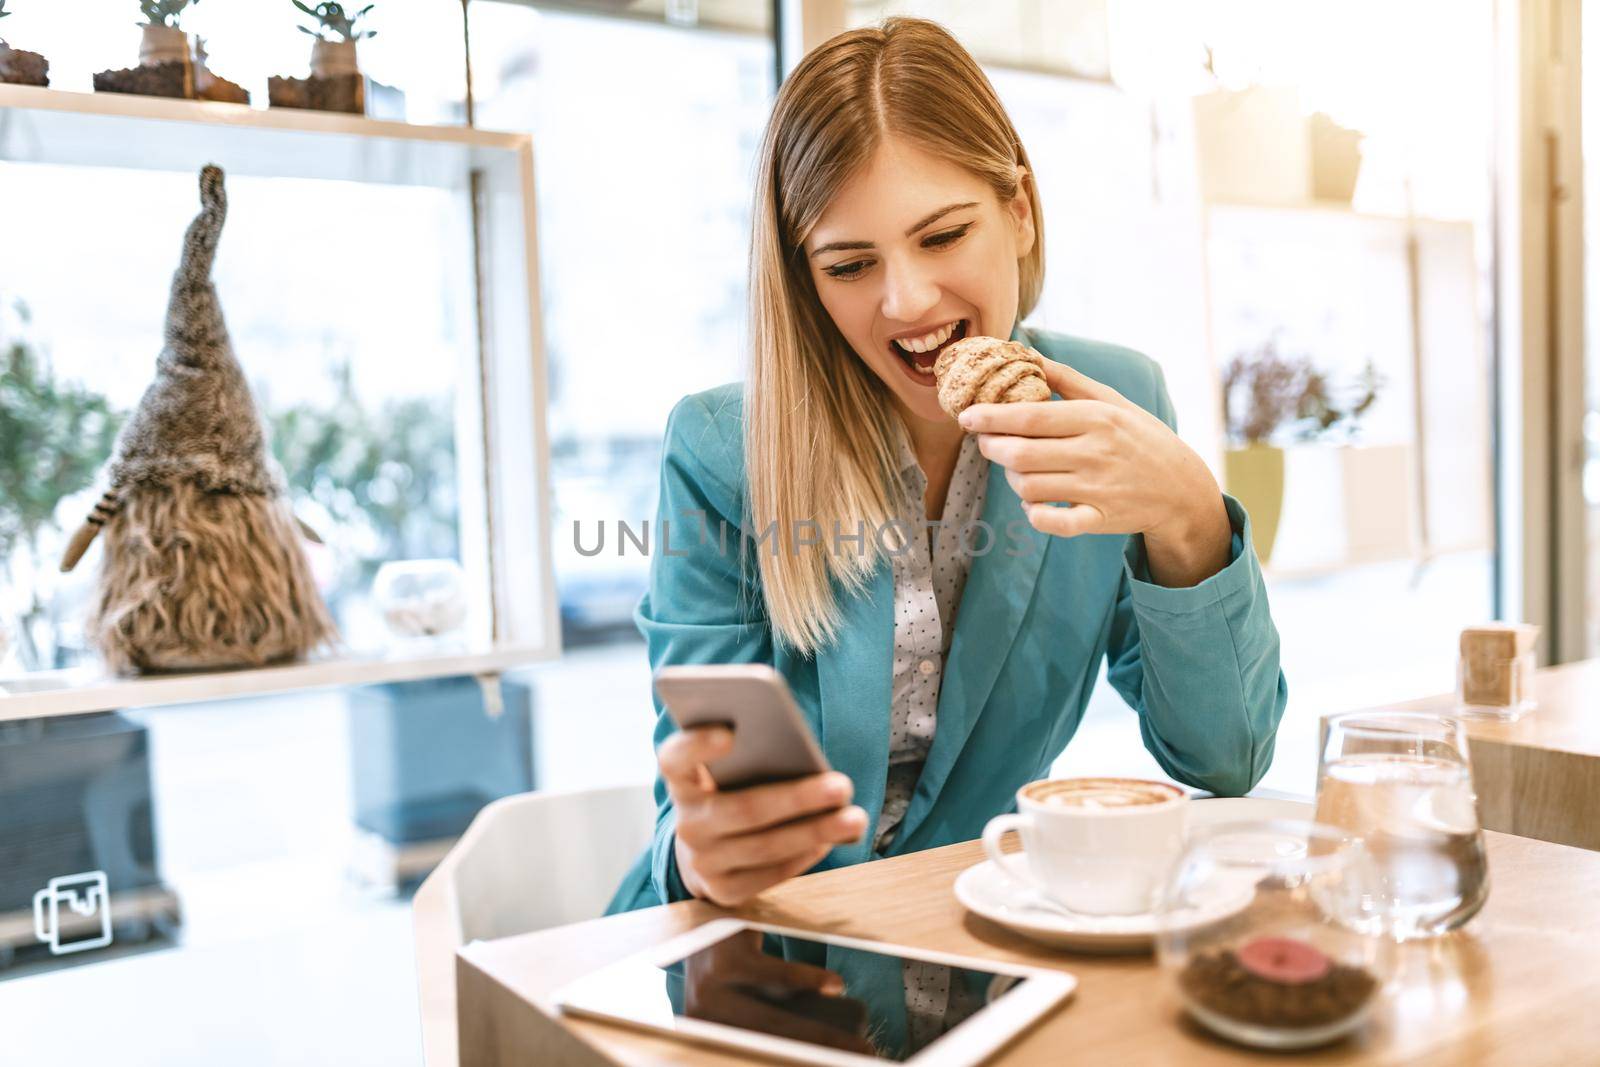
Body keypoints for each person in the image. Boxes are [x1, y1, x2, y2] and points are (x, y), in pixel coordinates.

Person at [606, 17, 1287, 920]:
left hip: (985, 944)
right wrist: (704, 852)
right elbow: (692, 819)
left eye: (942, 235)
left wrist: (1191, 515)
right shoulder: (720, 449)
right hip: (766, 955)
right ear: (805, 279)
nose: (907, 301)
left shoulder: (1117, 404)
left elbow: (1225, 760)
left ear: (1020, 209)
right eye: (850, 263)